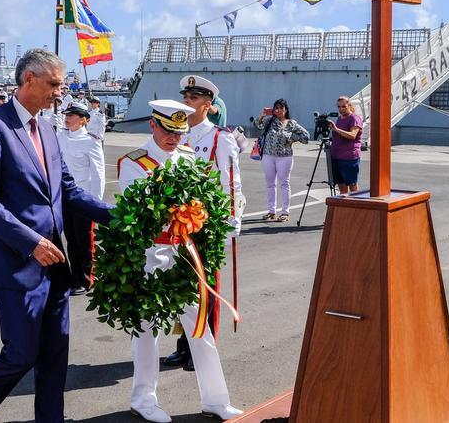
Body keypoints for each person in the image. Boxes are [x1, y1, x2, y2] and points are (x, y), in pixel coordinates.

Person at [0, 49, 114, 423]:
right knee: (20, 353)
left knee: (56, 350)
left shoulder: (47, 127)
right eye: (54, 84)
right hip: (18, 261)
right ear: (29, 80)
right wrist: (31, 242)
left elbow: (68, 190)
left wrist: (120, 217)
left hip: (56, 263)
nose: (61, 92)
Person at [119, 99, 241, 422]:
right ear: (153, 126)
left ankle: (215, 399)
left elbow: (202, 198)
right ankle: (143, 398)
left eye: (179, 132)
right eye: (168, 131)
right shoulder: (135, 163)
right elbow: (141, 213)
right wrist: (179, 213)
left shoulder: (187, 157)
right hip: (151, 255)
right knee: (147, 330)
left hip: (185, 254)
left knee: (200, 327)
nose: (174, 139)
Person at [166, 74, 242, 371]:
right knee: (181, 287)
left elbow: (230, 182)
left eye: (193, 99)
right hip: (178, 225)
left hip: (207, 224)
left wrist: (230, 221)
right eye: (185, 98)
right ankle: (184, 344)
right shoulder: (178, 134)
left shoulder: (219, 137)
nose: (186, 102)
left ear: (207, 105)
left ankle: (203, 348)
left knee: (204, 287)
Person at [56, 102, 104, 296]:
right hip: (64, 198)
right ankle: (74, 277)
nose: (68, 118)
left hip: (83, 199)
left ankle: (86, 279)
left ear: (84, 119)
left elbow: (99, 174)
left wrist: (95, 205)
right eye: (67, 114)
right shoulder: (60, 137)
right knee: (70, 239)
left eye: (73, 115)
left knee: (84, 241)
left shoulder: (91, 142)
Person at [252, 99, 310, 221]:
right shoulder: (270, 120)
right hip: (268, 156)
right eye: (276, 108)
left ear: (285, 110)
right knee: (270, 184)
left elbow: (306, 136)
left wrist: (293, 138)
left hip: (285, 157)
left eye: (280, 108)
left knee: (284, 183)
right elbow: (257, 125)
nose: (277, 110)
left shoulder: (292, 123)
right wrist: (262, 115)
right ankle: (271, 211)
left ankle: (285, 212)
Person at [328, 95, 363, 194]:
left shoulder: (354, 118)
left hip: (349, 157)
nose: (341, 109)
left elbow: (353, 135)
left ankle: (356, 206)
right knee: (341, 184)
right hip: (336, 156)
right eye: (339, 107)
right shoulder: (340, 119)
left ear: (349, 106)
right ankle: (343, 207)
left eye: (344, 106)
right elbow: (338, 135)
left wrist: (336, 129)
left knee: (352, 184)